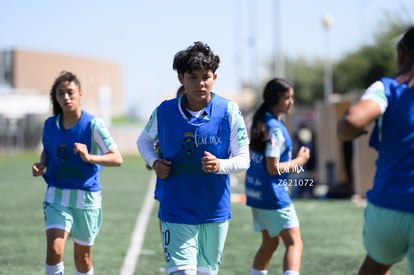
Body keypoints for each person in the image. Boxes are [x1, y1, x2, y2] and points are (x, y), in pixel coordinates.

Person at [137, 41, 250, 275]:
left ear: (215, 77)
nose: (200, 83)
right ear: (181, 79)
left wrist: (220, 165)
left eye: (206, 76)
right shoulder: (164, 111)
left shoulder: (229, 111)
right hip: (175, 208)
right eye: (193, 77)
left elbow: (244, 159)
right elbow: (143, 141)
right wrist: (154, 162)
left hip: (214, 210)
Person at [337, 26, 414, 275]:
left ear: (401, 56)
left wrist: (347, 133)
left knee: (375, 266)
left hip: (388, 207)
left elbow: (351, 122)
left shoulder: (388, 87)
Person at [32, 71, 123, 275]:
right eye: (60, 93)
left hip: (86, 199)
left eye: (70, 92)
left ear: (80, 94)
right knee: (54, 250)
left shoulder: (93, 124)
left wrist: (90, 157)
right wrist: (41, 164)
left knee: (82, 260)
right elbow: (48, 148)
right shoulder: (50, 125)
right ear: (55, 98)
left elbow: (117, 158)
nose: (66, 97)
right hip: (57, 195)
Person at [244, 78, 310, 275]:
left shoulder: (262, 119)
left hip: (255, 193)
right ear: (276, 99)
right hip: (272, 195)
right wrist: (300, 161)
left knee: (270, 242)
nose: (291, 102)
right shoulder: (275, 129)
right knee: (294, 243)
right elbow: (272, 168)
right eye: (287, 97)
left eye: (292, 97)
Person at [145, 85, 185, 170]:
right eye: (181, 98)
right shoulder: (164, 118)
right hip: (170, 179)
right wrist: (155, 161)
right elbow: (149, 164)